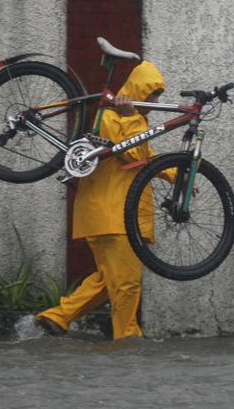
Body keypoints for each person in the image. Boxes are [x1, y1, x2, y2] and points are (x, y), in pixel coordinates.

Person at [36, 60, 167, 340]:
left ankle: (57, 317)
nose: (155, 102)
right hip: (115, 216)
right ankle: (128, 338)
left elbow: (148, 159)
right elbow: (132, 154)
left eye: (157, 96)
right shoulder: (110, 119)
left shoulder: (132, 123)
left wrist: (180, 173)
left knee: (110, 280)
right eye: (152, 95)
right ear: (137, 91)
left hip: (115, 216)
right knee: (127, 283)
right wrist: (130, 116)